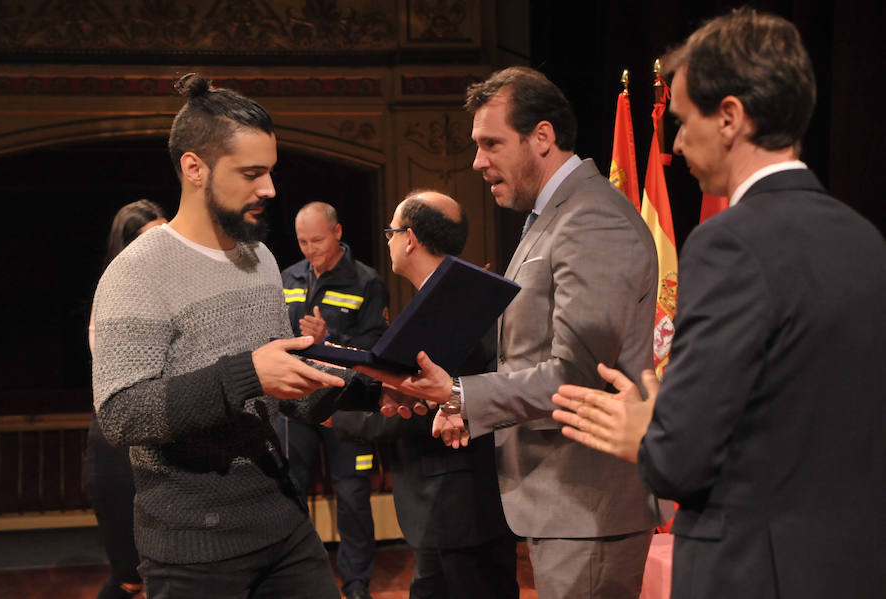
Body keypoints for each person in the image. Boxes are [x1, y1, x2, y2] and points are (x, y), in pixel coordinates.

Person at [551, 9, 886, 599]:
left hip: (752, 572)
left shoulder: (729, 241)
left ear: (729, 117)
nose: (674, 146)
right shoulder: (865, 240)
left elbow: (682, 460)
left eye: (682, 122)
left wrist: (647, 433)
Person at [357, 67, 661, 599]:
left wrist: (459, 393)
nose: (477, 162)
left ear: (541, 137)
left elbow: (579, 375)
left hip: (587, 507)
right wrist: (463, 409)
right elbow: (525, 353)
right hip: (560, 506)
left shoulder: (591, 219)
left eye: (490, 143)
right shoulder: (550, 217)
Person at [91, 73, 376, 599]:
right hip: (192, 549)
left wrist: (378, 391)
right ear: (194, 168)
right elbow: (123, 413)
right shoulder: (136, 273)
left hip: (281, 524)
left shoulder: (259, 257)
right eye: (251, 173)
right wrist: (248, 373)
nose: (268, 189)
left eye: (270, 172)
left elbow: (284, 386)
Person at [332, 189, 519, 599]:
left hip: (456, 505)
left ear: (410, 238)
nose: (388, 241)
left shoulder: (445, 309)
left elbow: (417, 404)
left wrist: (330, 412)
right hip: (459, 504)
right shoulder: (461, 297)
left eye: (391, 231)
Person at [280, 201, 388, 599]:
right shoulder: (288, 277)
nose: (310, 250)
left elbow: (376, 349)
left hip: (347, 406)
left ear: (338, 232)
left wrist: (331, 341)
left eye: (318, 240)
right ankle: (300, 583)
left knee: (353, 496)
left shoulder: (367, 281)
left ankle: (357, 586)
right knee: (291, 493)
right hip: (296, 403)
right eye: (303, 241)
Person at [86, 199, 167, 599]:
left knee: (168, 570)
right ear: (127, 245)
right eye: (151, 239)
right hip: (119, 440)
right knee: (129, 576)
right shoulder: (115, 293)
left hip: (163, 437)